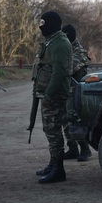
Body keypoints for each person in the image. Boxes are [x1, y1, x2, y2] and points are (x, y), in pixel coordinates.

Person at [32, 11, 73, 184]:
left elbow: (60, 72)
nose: (41, 26)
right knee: (50, 130)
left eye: (43, 22)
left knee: (54, 130)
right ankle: (53, 164)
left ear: (51, 24)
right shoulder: (51, 41)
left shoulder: (61, 44)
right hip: (47, 93)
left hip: (55, 95)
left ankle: (58, 170)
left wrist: (49, 94)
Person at [61, 24, 92, 162]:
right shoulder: (66, 49)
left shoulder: (78, 51)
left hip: (75, 93)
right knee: (64, 121)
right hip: (65, 91)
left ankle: (85, 149)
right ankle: (72, 149)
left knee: (75, 120)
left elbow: (69, 68)